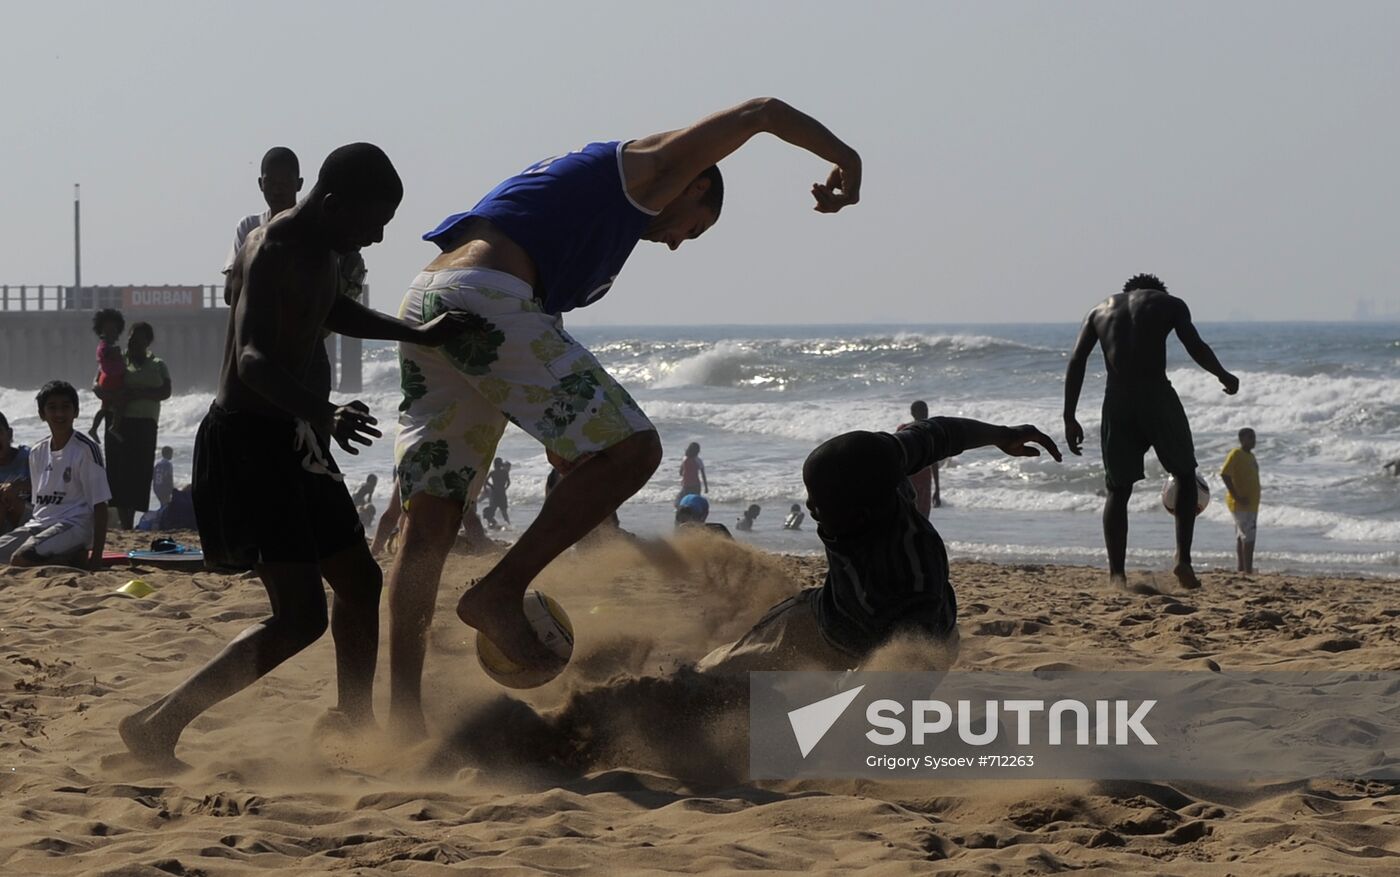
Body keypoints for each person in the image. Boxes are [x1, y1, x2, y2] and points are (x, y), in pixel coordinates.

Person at [386, 97, 860, 738]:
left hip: (429, 301)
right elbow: (762, 112)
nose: (674, 243)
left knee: (430, 527)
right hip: (486, 296)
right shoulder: (650, 168)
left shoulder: (591, 206)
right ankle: (500, 591)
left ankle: (400, 721)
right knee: (637, 450)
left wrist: (572, 448)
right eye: (694, 227)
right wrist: (845, 158)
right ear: (695, 184)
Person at [118, 143, 471, 765]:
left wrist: (412, 332)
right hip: (251, 445)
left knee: (361, 583)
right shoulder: (276, 248)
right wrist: (324, 411)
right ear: (334, 204)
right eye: (374, 221)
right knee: (301, 616)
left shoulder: (324, 249)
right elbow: (253, 360)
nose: (380, 237)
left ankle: (354, 723)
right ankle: (159, 725)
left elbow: (327, 306)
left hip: (294, 439)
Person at [698, 417, 1061, 673]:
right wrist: (1004, 434)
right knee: (725, 668)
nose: (811, 508)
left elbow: (912, 653)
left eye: (821, 503)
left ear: (862, 513)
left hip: (905, 645)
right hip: (824, 616)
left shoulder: (910, 569)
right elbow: (945, 432)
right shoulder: (883, 466)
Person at [1063, 273, 1239, 592]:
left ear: (1127, 291)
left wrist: (1069, 416)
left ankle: (1117, 575)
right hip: (1157, 396)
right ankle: (1183, 559)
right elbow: (1194, 345)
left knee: (1117, 490)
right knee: (1184, 474)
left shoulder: (1098, 310)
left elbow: (1077, 360)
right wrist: (1222, 374)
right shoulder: (1169, 304)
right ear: (1156, 292)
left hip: (1116, 401)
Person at [0, 382, 110, 569]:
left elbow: (100, 505)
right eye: (52, 408)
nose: (59, 414)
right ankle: (64, 555)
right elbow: (40, 502)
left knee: (21, 559)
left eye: (65, 407)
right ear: (42, 414)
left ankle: (73, 559)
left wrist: (97, 557)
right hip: (39, 524)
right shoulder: (37, 451)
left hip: (73, 525)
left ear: (75, 412)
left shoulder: (85, 449)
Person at [95, 322, 172, 530]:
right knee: (118, 472)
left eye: (138, 340)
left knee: (139, 471)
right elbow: (97, 384)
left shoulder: (157, 364)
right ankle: (126, 523)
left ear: (147, 342)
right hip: (117, 423)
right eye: (130, 339)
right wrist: (111, 396)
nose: (133, 343)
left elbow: (166, 391)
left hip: (145, 423)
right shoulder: (117, 360)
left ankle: (130, 519)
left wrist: (140, 394)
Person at [222, 146, 302, 283]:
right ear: (261, 184)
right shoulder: (249, 227)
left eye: (284, 183)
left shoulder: (312, 229)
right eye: (270, 183)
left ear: (299, 184)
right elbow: (230, 289)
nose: (277, 190)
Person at [1220, 427, 1260, 574]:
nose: (1253, 440)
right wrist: (1236, 496)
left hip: (1251, 504)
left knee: (1241, 535)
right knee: (1249, 537)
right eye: (1250, 437)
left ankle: (1242, 567)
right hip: (1241, 503)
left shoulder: (1251, 456)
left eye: (1254, 437)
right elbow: (1225, 474)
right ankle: (1247, 569)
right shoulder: (1236, 454)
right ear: (1242, 439)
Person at [898, 400, 940, 514]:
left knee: (924, 515)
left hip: (925, 480)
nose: (925, 413)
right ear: (913, 413)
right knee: (909, 514)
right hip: (909, 479)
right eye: (922, 410)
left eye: (926, 410)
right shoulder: (903, 430)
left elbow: (934, 461)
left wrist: (937, 489)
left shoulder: (931, 431)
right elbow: (899, 458)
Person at [0, 411, 33, 535]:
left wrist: (16, 487)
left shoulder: (29, 456)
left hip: (30, 520)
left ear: (9, 434)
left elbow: (48, 485)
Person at [482, 458, 512, 528]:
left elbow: (485, 481)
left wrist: (489, 487)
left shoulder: (492, 473)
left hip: (494, 493)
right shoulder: (505, 472)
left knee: (492, 510)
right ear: (501, 464)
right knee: (504, 512)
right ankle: (509, 525)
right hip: (502, 493)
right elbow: (509, 482)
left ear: (494, 465)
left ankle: (490, 524)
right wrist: (505, 488)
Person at [676, 442, 707, 507]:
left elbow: (680, 473)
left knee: (681, 502)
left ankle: (683, 514)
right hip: (696, 485)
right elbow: (703, 475)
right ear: (697, 451)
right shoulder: (698, 460)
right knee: (695, 502)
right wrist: (706, 487)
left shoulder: (684, 459)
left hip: (686, 485)